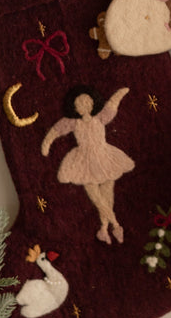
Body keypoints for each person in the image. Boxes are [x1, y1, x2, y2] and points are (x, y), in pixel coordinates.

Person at [41, 85, 135, 244]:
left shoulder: (100, 117)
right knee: (97, 198)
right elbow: (55, 132)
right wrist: (46, 144)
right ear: (75, 107)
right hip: (84, 161)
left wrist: (120, 93)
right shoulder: (72, 123)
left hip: (105, 157)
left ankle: (104, 229)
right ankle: (116, 225)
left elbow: (112, 105)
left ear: (93, 103)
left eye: (87, 102)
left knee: (107, 194)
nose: (84, 105)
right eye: (80, 103)